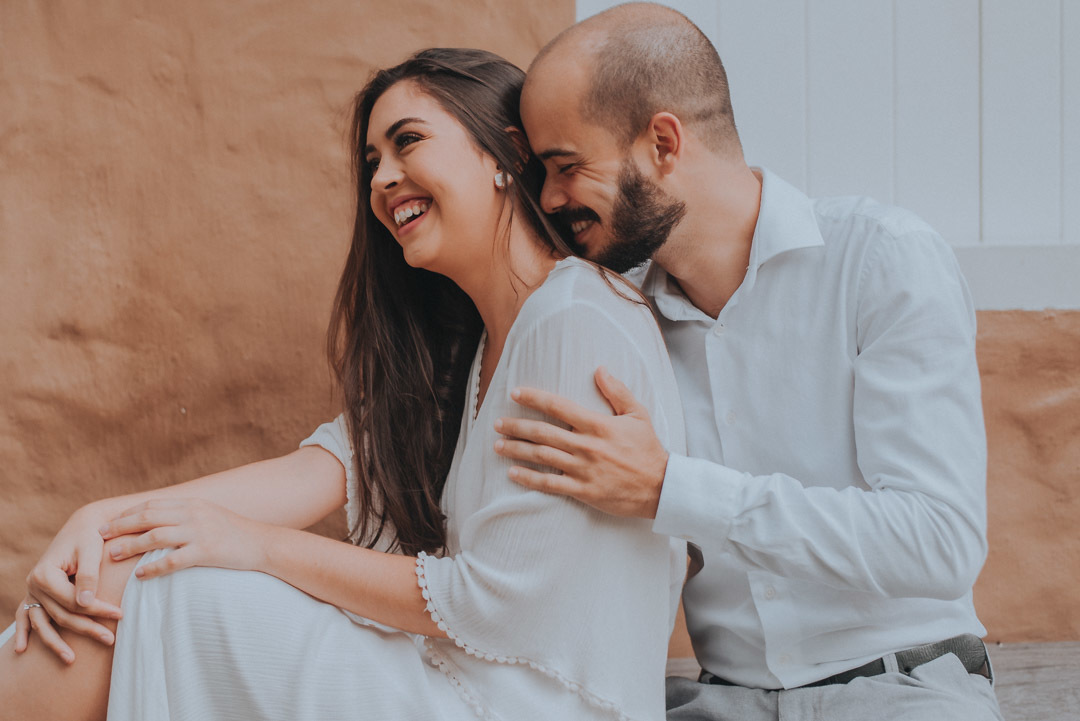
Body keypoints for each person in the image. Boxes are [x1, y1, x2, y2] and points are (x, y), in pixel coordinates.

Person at [0, 47, 687, 721]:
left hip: (518, 702)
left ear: (504, 153)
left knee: (152, 586)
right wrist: (99, 519)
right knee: (125, 571)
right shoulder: (476, 355)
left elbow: (495, 605)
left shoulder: (574, 315)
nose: (383, 179)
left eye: (407, 142)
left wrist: (255, 544)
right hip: (458, 682)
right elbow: (313, 471)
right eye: (371, 164)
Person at [495, 4, 1005, 720]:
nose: (551, 198)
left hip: (906, 690)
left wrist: (672, 486)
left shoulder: (881, 261)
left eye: (566, 166)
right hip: (718, 700)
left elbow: (938, 541)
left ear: (664, 143)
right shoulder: (618, 325)